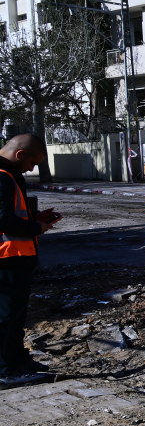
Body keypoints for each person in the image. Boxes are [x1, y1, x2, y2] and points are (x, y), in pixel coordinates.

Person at [0, 134, 60, 386]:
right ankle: (6, 370)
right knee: (6, 316)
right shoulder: (2, 176)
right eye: (32, 163)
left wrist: (35, 218)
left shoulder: (9, 175)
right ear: (20, 154)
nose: (32, 169)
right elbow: (3, 219)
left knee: (14, 316)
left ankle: (16, 361)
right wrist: (36, 227)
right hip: (6, 259)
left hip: (15, 258)